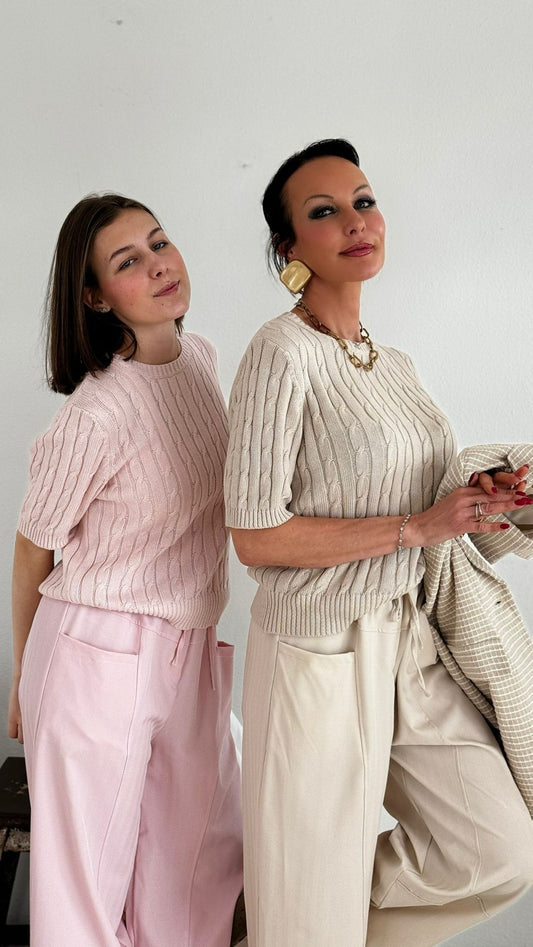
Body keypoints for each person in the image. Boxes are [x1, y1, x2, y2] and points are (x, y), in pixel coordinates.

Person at [224, 139, 533, 946]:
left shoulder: (391, 362)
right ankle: (292, 917)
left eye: (363, 201)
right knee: (308, 885)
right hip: (319, 645)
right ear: (288, 247)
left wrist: (483, 495)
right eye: (324, 211)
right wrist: (413, 528)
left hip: (410, 631)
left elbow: (417, 499)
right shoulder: (279, 353)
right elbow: (253, 535)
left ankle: (278, 921)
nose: (355, 221)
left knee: (498, 849)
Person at [8, 194, 243, 947]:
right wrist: (24, 675)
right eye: (128, 261)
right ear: (96, 297)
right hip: (95, 650)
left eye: (159, 242)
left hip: (189, 646)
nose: (158, 264)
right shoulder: (95, 415)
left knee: (196, 871)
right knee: (84, 892)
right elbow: (33, 548)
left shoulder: (202, 360)